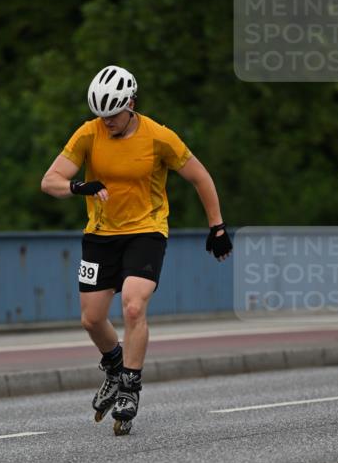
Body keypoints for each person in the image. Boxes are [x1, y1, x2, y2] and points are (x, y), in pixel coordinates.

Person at [41, 64, 232, 433]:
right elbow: (50, 181)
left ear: (130, 103)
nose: (107, 121)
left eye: (113, 113)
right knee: (92, 319)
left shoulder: (159, 137)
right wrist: (79, 187)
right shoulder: (88, 133)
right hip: (100, 234)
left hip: (146, 230)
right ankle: (113, 367)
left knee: (132, 304)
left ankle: (130, 385)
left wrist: (217, 226)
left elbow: (200, 177)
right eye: (101, 114)